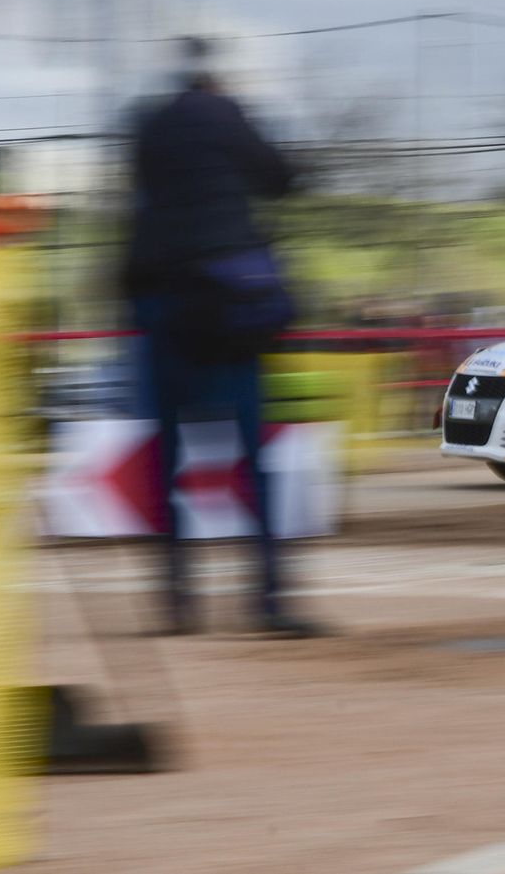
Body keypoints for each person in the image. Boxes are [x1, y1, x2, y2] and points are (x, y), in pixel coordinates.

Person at [122, 36, 318, 638]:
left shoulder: (147, 124)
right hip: (225, 306)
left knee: (167, 456)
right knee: (251, 455)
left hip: (158, 300)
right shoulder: (225, 112)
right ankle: (268, 602)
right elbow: (281, 179)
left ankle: (177, 606)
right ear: (215, 79)